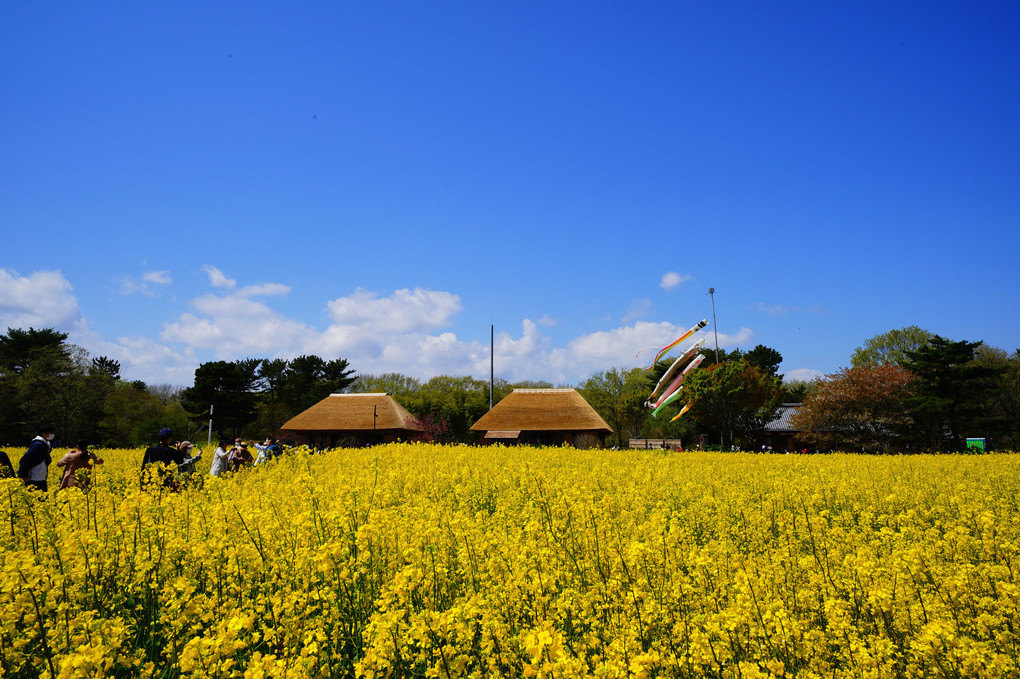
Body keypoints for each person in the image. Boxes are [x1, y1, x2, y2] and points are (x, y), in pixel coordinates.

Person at [18, 424, 56, 492]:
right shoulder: (38, 445)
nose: (53, 435)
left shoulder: (44, 444)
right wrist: (24, 476)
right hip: (34, 479)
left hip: (40, 478)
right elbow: (24, 460)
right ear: (44, 434)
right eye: (51, 433)